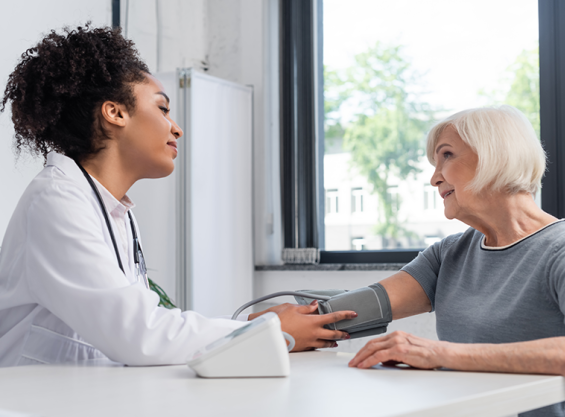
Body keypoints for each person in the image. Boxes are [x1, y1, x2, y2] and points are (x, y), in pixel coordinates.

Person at [0, 25, 353, 367]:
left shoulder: (112, 210)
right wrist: (264, 331)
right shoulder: (56, 200)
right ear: (115, 113)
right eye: (163, 109)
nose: (176, 128)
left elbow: (142, 327)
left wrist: (248, 332)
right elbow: (139, 335)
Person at [347, 106, 565, 417]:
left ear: (495, 155)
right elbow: (354, 311)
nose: (434, 178)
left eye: (446, 155)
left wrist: (441, 353)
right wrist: (292, 320)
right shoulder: (449, 253)